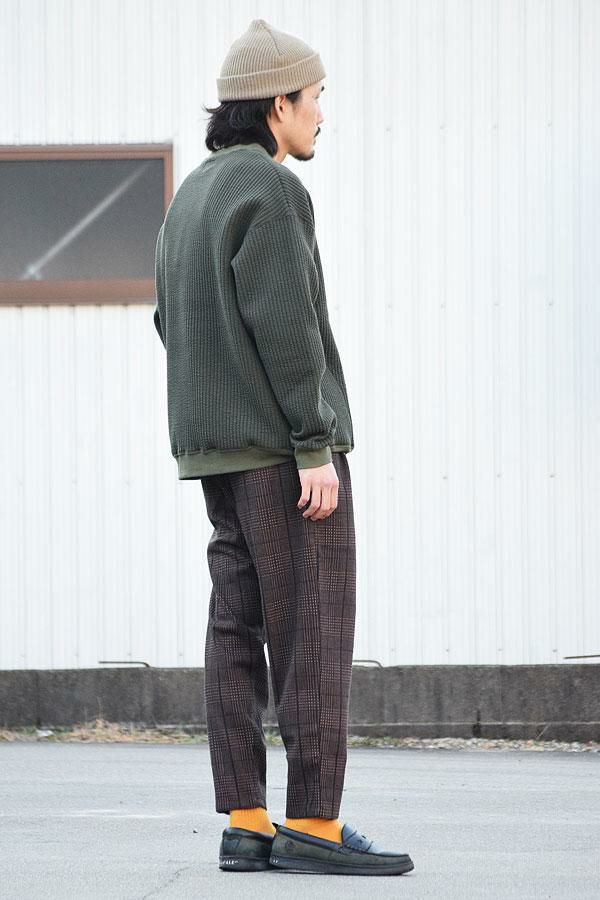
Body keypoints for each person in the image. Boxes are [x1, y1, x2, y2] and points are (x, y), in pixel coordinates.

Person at [153, 17, 414, 877]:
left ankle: (246, 820)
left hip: (215, 457)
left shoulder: (191, 197)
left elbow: (168, 320)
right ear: (277, 105)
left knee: (235, 627)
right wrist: (312, 444)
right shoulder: (270, 188)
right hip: (282, 455)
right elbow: (289, 328)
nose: (321, 114)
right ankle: (314, 822)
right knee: (314, 628)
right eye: (315, 98)